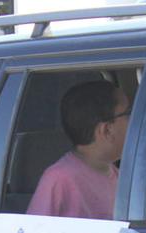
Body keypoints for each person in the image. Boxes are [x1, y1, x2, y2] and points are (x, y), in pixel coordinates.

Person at [26, 80, 130, 219]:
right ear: (107, 130)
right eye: (128, 114)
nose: (133, 121)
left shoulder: (120, 177)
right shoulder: (59, 179)